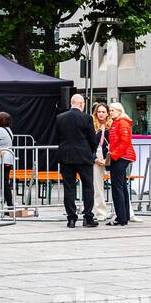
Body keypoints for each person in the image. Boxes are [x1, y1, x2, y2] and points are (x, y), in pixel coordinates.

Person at [55, 94, 98, 228]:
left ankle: (71, 218)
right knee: (88, 186)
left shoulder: (60, 118)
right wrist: (91, 151)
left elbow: (58, 137)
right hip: (83, 156)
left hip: (66, 156)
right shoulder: (87, 118)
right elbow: (92, 139)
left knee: (69, 187)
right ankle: (88, 217)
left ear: (71, 103)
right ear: (81, 104)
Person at [107, 101, 137, 226]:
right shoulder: (118, 122)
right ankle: (124, 216)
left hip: (121, 157)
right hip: (122, 156)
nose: (110, 112)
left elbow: (124, 142)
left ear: (119, 111)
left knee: (117, 187)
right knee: (122, 186)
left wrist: (113, 154)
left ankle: (121, 218)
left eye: (112, 110)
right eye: (110, 110)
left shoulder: (122, 123)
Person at [0, 112, 16, 216]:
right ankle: (10, 206)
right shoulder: (8, 130)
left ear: (2, 120)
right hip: (8, 159)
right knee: (5, 183)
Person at [92, 102, 111, 224]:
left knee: (118, 185)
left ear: (107, 113)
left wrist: (108, 157)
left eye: (103, 111)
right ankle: (101, 213)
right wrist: (95, 158)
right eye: (99, 111)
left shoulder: (112, 125)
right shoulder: (92, 125)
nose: (101, 114)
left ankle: (122, 211)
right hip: (96, 155)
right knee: (97, 186)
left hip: (110, 155)